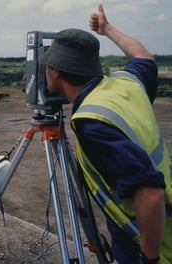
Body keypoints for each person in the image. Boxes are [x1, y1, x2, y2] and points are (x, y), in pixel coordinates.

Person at [42, 4, 172, 264]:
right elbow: (144, 56)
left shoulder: (92, 121)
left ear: (55, 71)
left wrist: (149, 259)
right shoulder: (126, 83)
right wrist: (107, 29)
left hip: (145, 240)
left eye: (46, 67)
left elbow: (150, 193)